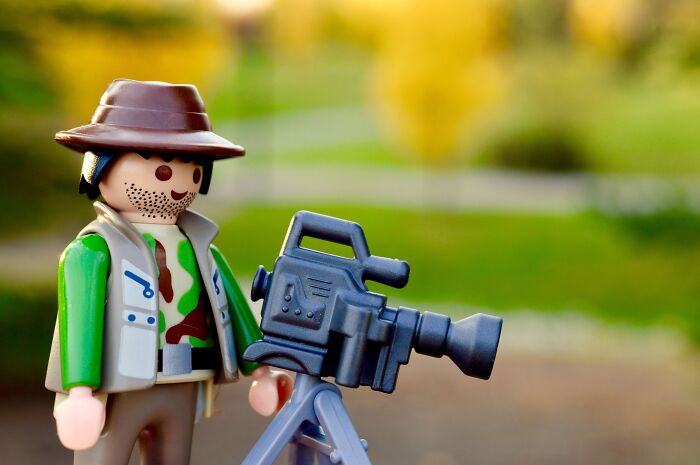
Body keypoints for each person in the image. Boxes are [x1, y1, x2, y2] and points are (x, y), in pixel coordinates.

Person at [45, 78, 293, 465]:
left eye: (192, 170)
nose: (178, 184)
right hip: (118, 386)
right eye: (162, 171)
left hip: (184, 383)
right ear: (99, 166)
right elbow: (80, 322)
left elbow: (235, 311)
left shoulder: (202, 249)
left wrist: (261, 370)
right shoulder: (93, 250)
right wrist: (79, 389)